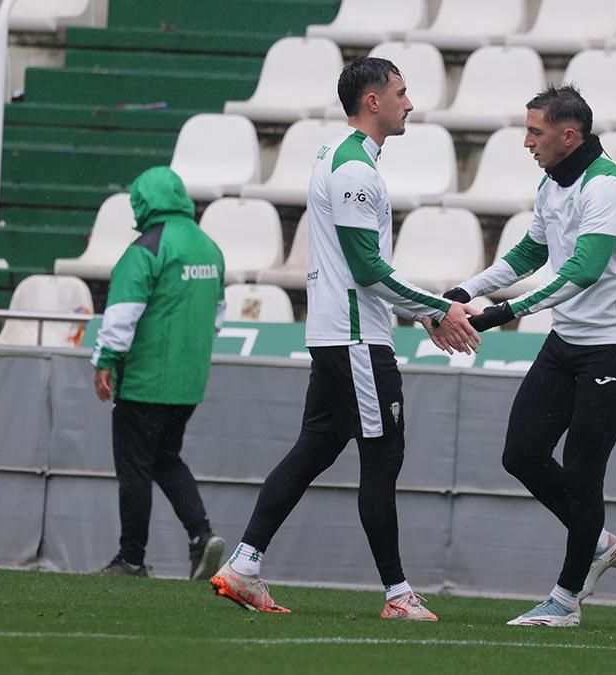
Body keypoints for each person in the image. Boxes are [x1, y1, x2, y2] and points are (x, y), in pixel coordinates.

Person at [209, 57, 481, 620]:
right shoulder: (355, 169)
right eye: (402, 93)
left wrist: (422, 316)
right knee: (383, 458)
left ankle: (242, 566)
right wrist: (438, 310)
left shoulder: (339, 157)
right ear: (373, 100)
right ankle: (397, 595)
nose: (410, 103)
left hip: (337, 333)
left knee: (314, 449)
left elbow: (363, 266)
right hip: (357, 340)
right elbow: (365, 267)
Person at [444, 84, 616, 628]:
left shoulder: (606, 185)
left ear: (569, 135)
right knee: (521, 454)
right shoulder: (554, 180)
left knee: (585, 474)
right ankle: (599, 542)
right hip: (569, 343)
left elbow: (581, 271)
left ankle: (565, 602)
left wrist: (497, 315)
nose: (525, 141)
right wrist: (464, 292)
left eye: (534, 132)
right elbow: (529, 254)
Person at [91, 166, 228, 581]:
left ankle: (131, 558)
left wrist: (105, 361)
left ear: (142, 202)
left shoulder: (146, 249)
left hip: (146, 380)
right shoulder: (209, 248)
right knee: (166, 458)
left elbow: (122, 315)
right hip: (188, 382)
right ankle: (201, 535)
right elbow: (217, 317)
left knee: (134, 467)